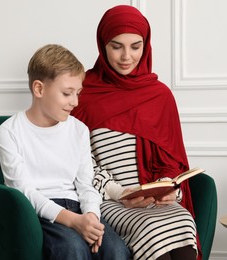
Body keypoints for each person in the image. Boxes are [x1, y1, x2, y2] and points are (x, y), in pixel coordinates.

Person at [72, 5, 200, 260]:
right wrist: (120, 192)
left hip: (154, 200)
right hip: (109, 199)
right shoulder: (83, 92)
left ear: (146, 45)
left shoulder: (160, 96)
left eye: (135, 46)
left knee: (183, 220)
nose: (126, 57)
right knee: (151, 229)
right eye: (116, 46)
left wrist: (169, 191)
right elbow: (79, 162)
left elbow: (172, 161)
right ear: (102, 44)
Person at [0, 44, 130, 260]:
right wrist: (73, 221)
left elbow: (86, 184)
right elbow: (25, 192)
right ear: (39, 89)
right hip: (41, 213)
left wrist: (91, 217)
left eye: (78, 93)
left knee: (117, 251)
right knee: (72, 249)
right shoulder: (9, 132)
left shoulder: (78, 130)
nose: (75, 102)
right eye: (67, 93)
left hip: (79, 207)